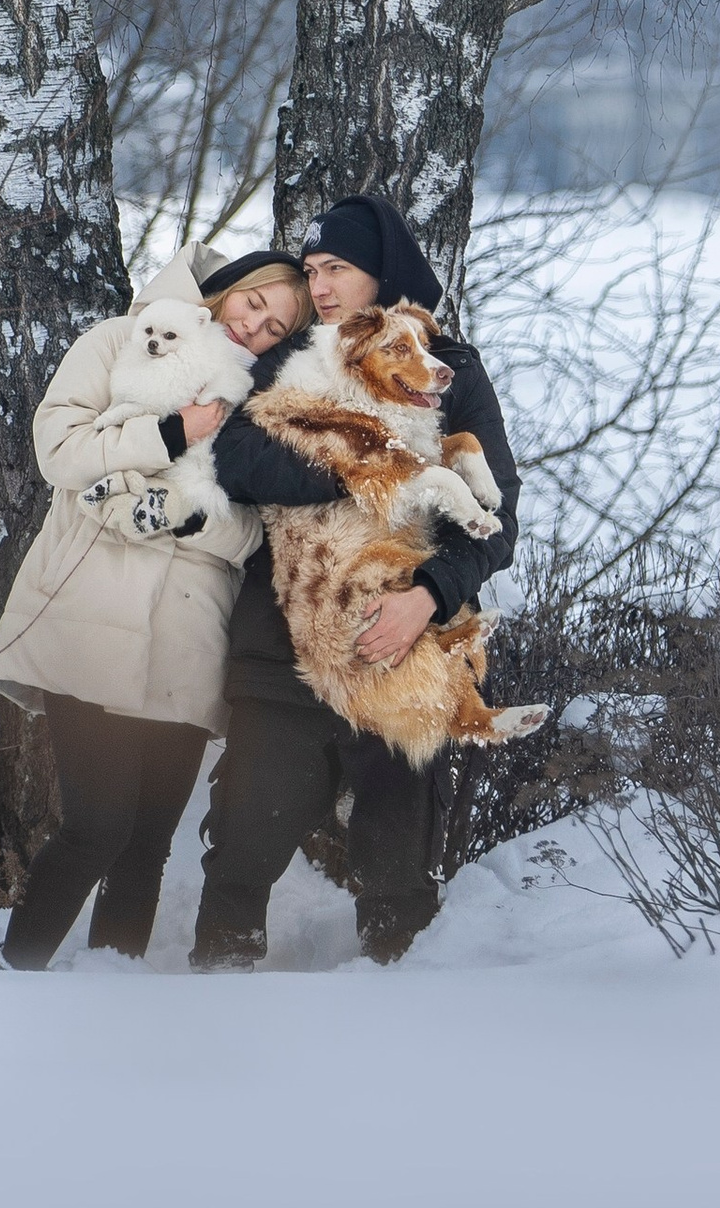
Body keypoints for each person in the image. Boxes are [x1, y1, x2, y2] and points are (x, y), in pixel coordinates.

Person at [183, 190, 520, 969]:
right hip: (284, 647)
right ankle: (209, 1007)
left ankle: (394, 1014)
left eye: (338, 268)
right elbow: (237, 461)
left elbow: (496, 522)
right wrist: (379, 470)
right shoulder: (289, 363)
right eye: (311, 269)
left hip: (404, 645)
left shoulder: (450, 375)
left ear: (384, 275)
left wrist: (428, 598)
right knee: (242, 850)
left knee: (399, 865)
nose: (321, 287)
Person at [0, 244, 312, 969]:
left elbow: (257, 527)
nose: (256, 329)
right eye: (253, 305)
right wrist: (173, 433)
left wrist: (191, 519)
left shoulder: (259, 400)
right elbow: (60, 451)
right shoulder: (116, 340)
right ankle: (13, 977)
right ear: (226, 289)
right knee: (97, 827)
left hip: (189, 633)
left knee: (147, 846)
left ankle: (115, 999)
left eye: (276, 329)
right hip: (92, 610)